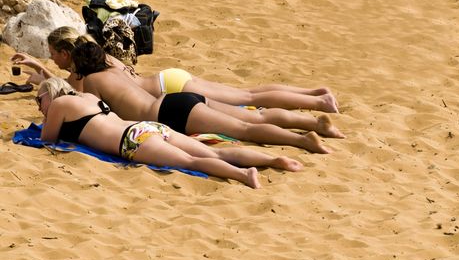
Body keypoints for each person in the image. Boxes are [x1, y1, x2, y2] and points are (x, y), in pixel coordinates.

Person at [72, 41, 338, 154]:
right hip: (177, 99)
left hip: (170, 113)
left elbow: (95, 114)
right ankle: (314, 124)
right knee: (255, 113)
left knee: (245, 129)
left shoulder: (93, 80)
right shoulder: (116, 70)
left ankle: (302, 140)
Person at [37, 77, 304, 188]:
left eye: (40, 100)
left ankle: (243, 174)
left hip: (131, 142)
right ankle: (271, 160)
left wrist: (48, 117)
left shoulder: (59, 105)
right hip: (149, 128)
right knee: (213, 152)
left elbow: (47, 138)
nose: (39, 107)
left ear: (51, 94)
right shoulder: (85, 97)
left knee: (191, 162)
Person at [12, 26, 339, 113]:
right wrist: (38, 67)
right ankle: (314, 93)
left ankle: (318, 103)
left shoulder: (82, 74)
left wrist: (42, 74)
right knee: (248, 94)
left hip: (173, 92)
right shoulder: (99, 56)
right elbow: (60, 82)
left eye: (54, 54)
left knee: (246, 100)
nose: (53, 59)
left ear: (67, 53)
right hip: (170, 79)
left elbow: (69, 94)